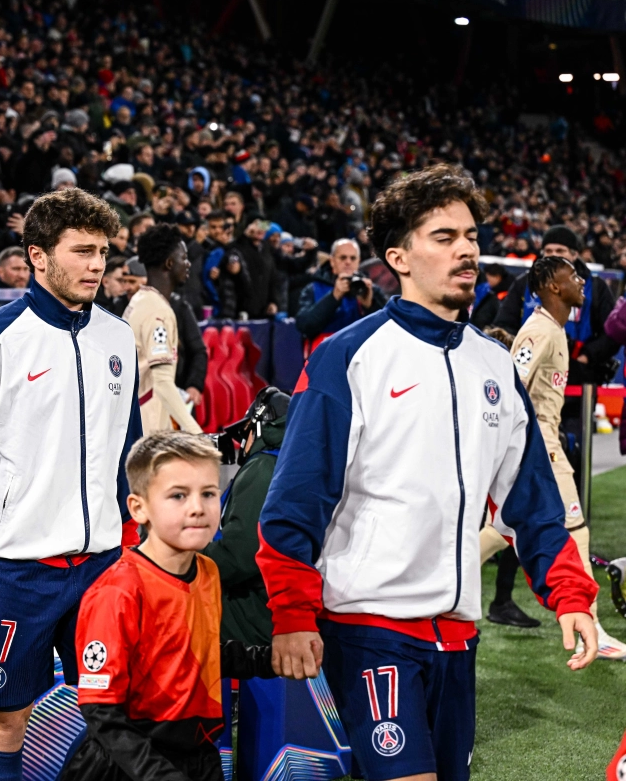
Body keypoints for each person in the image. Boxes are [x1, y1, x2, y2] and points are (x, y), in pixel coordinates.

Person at [257, 165, 599, 781]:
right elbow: (296, 501)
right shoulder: (346, 358)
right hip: (368, 629)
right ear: (399, 256)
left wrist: (570, 594)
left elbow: (533, 504)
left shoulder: (494, 366)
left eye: (469, 235)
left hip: (458, 637)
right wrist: (291, 613)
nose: (466, 248)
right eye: (443, 236)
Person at [0, 188, 140, 780]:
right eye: (82, 251)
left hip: (106, 566)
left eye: (103, 252)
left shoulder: (118, 338)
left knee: (118, 716)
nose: (97, 265)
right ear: (38, 256)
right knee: (6, 720)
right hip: (14, 569)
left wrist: (137, 544)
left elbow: (128, 456)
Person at [58, 431, 225, 781]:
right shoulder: (118, 591)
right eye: (178, 495)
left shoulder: (208, 572)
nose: (197, 507)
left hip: (199, 755)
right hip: (128, 764)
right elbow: (100, 711)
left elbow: (197, 651)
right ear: (139, 508)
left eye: (208, 493)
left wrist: (269, 658)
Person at [489, 257, 626, 659]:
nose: (582, 280)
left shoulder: (555, 329)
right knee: (576, 530)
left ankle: (443, 580)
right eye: (572, 275)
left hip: (546, 443)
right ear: (551, 285)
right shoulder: (538, 332)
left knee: (500, 532)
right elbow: (510, 390)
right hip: (541, 447)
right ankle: (593, 629)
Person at [203, 387, 289, 646]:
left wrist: (181, 562)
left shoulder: (262, 467)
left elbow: (239, 557)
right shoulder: (290, 464)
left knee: (166, 608)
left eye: (246, 433)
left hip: (259, 613)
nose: (242, 443)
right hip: (281, 605)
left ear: (260, 428)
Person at [493, 225, 618, 385]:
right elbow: (503, 325)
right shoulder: (524, 284)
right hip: (530, 374)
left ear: (574, 254)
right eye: (548, 251)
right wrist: (525, 350)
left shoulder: (595, 287)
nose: (553, 256)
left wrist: (586, 357)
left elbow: (610, 333)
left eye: (560, 251)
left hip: (579, 378)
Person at [124, 224, 201, 435]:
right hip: (146, 425)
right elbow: (162, 382)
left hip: (136, 417)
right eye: (183, 258)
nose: (188, 264)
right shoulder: (157, 312)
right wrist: (196, 432)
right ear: (169, 263)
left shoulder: (140, 301)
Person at [295, 238, 386, 354]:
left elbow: (388, 329)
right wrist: (334, 296)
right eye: (343, 258)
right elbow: (304, 325)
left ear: (359, 262)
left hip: (361, 361)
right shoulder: (313, 288)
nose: (348, 262)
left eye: (353, 258)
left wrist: (370, 306)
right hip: (323, 361)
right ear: (332, 261)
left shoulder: (370, 289)